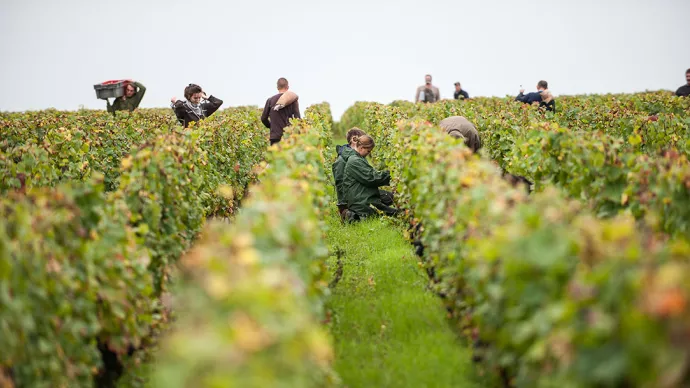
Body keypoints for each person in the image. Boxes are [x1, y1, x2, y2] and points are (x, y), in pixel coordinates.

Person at [333, 128, 394, 220]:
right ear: (355, 140)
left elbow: (367, 175)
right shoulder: (344, 161)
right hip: (357, 198)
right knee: (384, 213)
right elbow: (340, 184)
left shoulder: (356, 156)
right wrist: (344, 209)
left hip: (362, 192)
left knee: (390, 198)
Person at [261, 78, 301, 145]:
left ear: (277, 87)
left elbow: (263, 118)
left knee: (275, 155)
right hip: (288, 136)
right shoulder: (293, 100)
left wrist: (271, 126)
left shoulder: (270, 100)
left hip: (275, 137)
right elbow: (298, 118)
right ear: (287, 87)